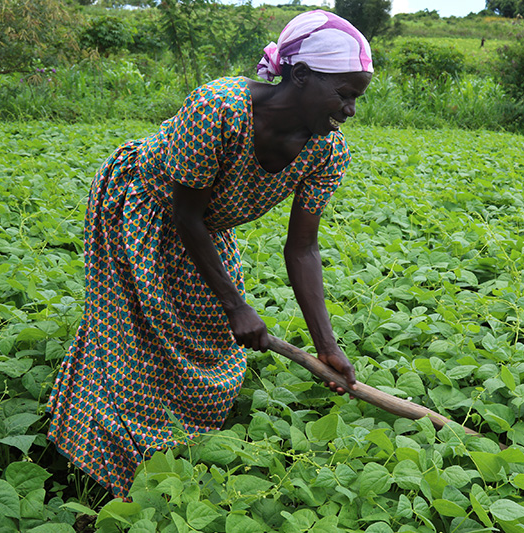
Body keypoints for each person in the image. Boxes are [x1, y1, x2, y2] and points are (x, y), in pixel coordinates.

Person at [46, 10, 372, 498]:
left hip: (205, 229)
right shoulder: (219, 106)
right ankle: (87, 465)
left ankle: (173, 454)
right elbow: (185, 216)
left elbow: (302, 248)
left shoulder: (327, 152)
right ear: (301, 75)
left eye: (355, 99)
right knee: (130, 335)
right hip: (142, 207)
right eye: (343, 94)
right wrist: (237, 305)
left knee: (212, 344)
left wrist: (326, 344)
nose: (349, 111)